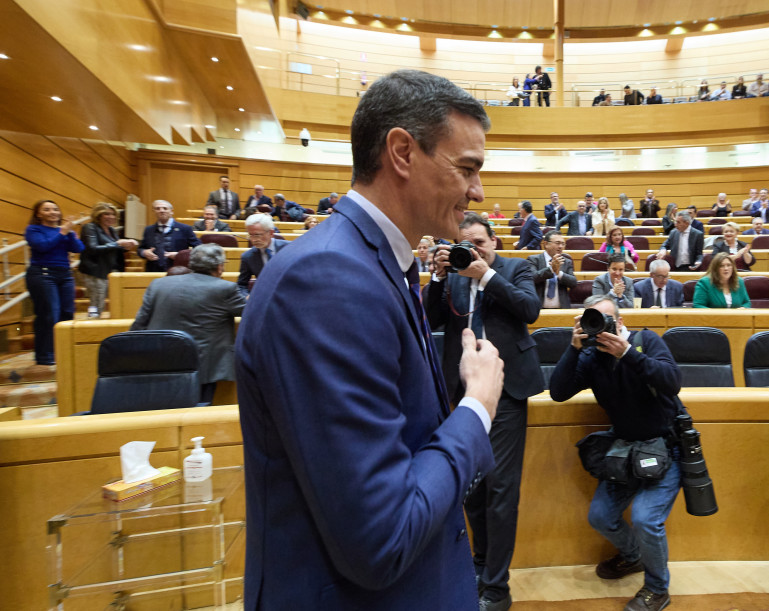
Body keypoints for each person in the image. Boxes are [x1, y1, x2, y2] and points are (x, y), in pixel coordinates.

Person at [235, 70, 505, 610]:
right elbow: (381, 538)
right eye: (467, 168)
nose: (477, 191)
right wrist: (477, 407)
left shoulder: (374, 264)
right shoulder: (329, 279)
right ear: (402, 152)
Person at [426, 213, 541, 611]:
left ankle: (497, 587)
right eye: (465, 244)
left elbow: (529, 309)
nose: (473, 250)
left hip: (508, 392)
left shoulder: (516, 268)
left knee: (501, 489)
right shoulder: (454, 276)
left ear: (494, 242)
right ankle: (478, 566)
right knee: (472, 487)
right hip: (465, 393)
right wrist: (440, 277)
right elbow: (430, 317)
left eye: (480, 242)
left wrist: (486, 275)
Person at [549, 294, 683, 611]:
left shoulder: (646, 341)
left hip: (665, 446)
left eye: (603, 320)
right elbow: (558, 391)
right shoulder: (592, 358)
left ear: (620, 321)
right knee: (600, 516)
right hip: (625, 450)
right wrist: (574, 347)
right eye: (590, 321)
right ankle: (634, 556)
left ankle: (657, 589)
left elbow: (672, 382)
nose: (598, 328)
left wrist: (627, 354)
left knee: (646, 519)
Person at [132, 243, 244, 404]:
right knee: (197, 416)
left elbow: (139, 324)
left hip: (159, 360)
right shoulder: (225, 288)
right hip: (203, 365)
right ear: (220, 267)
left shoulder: (158, 284)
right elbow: (249, 312)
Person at [25, 200, 84, 365]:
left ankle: (63, 350)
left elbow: (79, 248)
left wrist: (70, 233)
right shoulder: (34, 229)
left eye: (55, 209)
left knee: (67, 313)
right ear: (38, 214)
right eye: (47, 209)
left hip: (64, 275)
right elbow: (42, 246)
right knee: (50, 314)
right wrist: (63, 232)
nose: (52, 212)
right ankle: (45, 355)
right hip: (43, 274)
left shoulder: (64, 231)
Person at [79, 203, 137, 318]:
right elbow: (92, 249)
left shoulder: (111, 230)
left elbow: (113, 249)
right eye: (107, 214)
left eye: (113, 214)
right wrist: (117, 243)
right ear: (98, 215)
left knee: (103, 302)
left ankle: (96, 322)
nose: (111, 217)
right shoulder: (90, 227)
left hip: (109, 270)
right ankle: (91, 325)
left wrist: (125, 247)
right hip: (94, 271)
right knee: (96, 303)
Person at [138, 200, 200, 273]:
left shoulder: (185, 229)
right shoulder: (148, 230)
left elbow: (199, 248)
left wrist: (180, 255)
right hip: (153, 271)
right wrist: (144, 252)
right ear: (154, 211)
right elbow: (140, 249)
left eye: (165, 208)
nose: (161, 211)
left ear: (171, 211)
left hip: (178, 272)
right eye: (157, 208)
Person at [237, 213, 288, 298]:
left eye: (257, 235)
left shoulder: (288, 248)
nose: (253, 240)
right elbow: (241, 286)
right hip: (265, 299)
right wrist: (246, 296)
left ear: (271, 233)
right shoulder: (248, 257)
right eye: (250, 235)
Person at [528, 230, 577, 308]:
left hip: (562, 308)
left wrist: (559, 273)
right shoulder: (533, 259)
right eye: (557, 243)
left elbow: (573, 283)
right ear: (546, 244)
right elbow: (532, 278)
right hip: (538, 308)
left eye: (563, 244)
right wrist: (551, 269)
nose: (560, 246)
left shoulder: (566, 262)